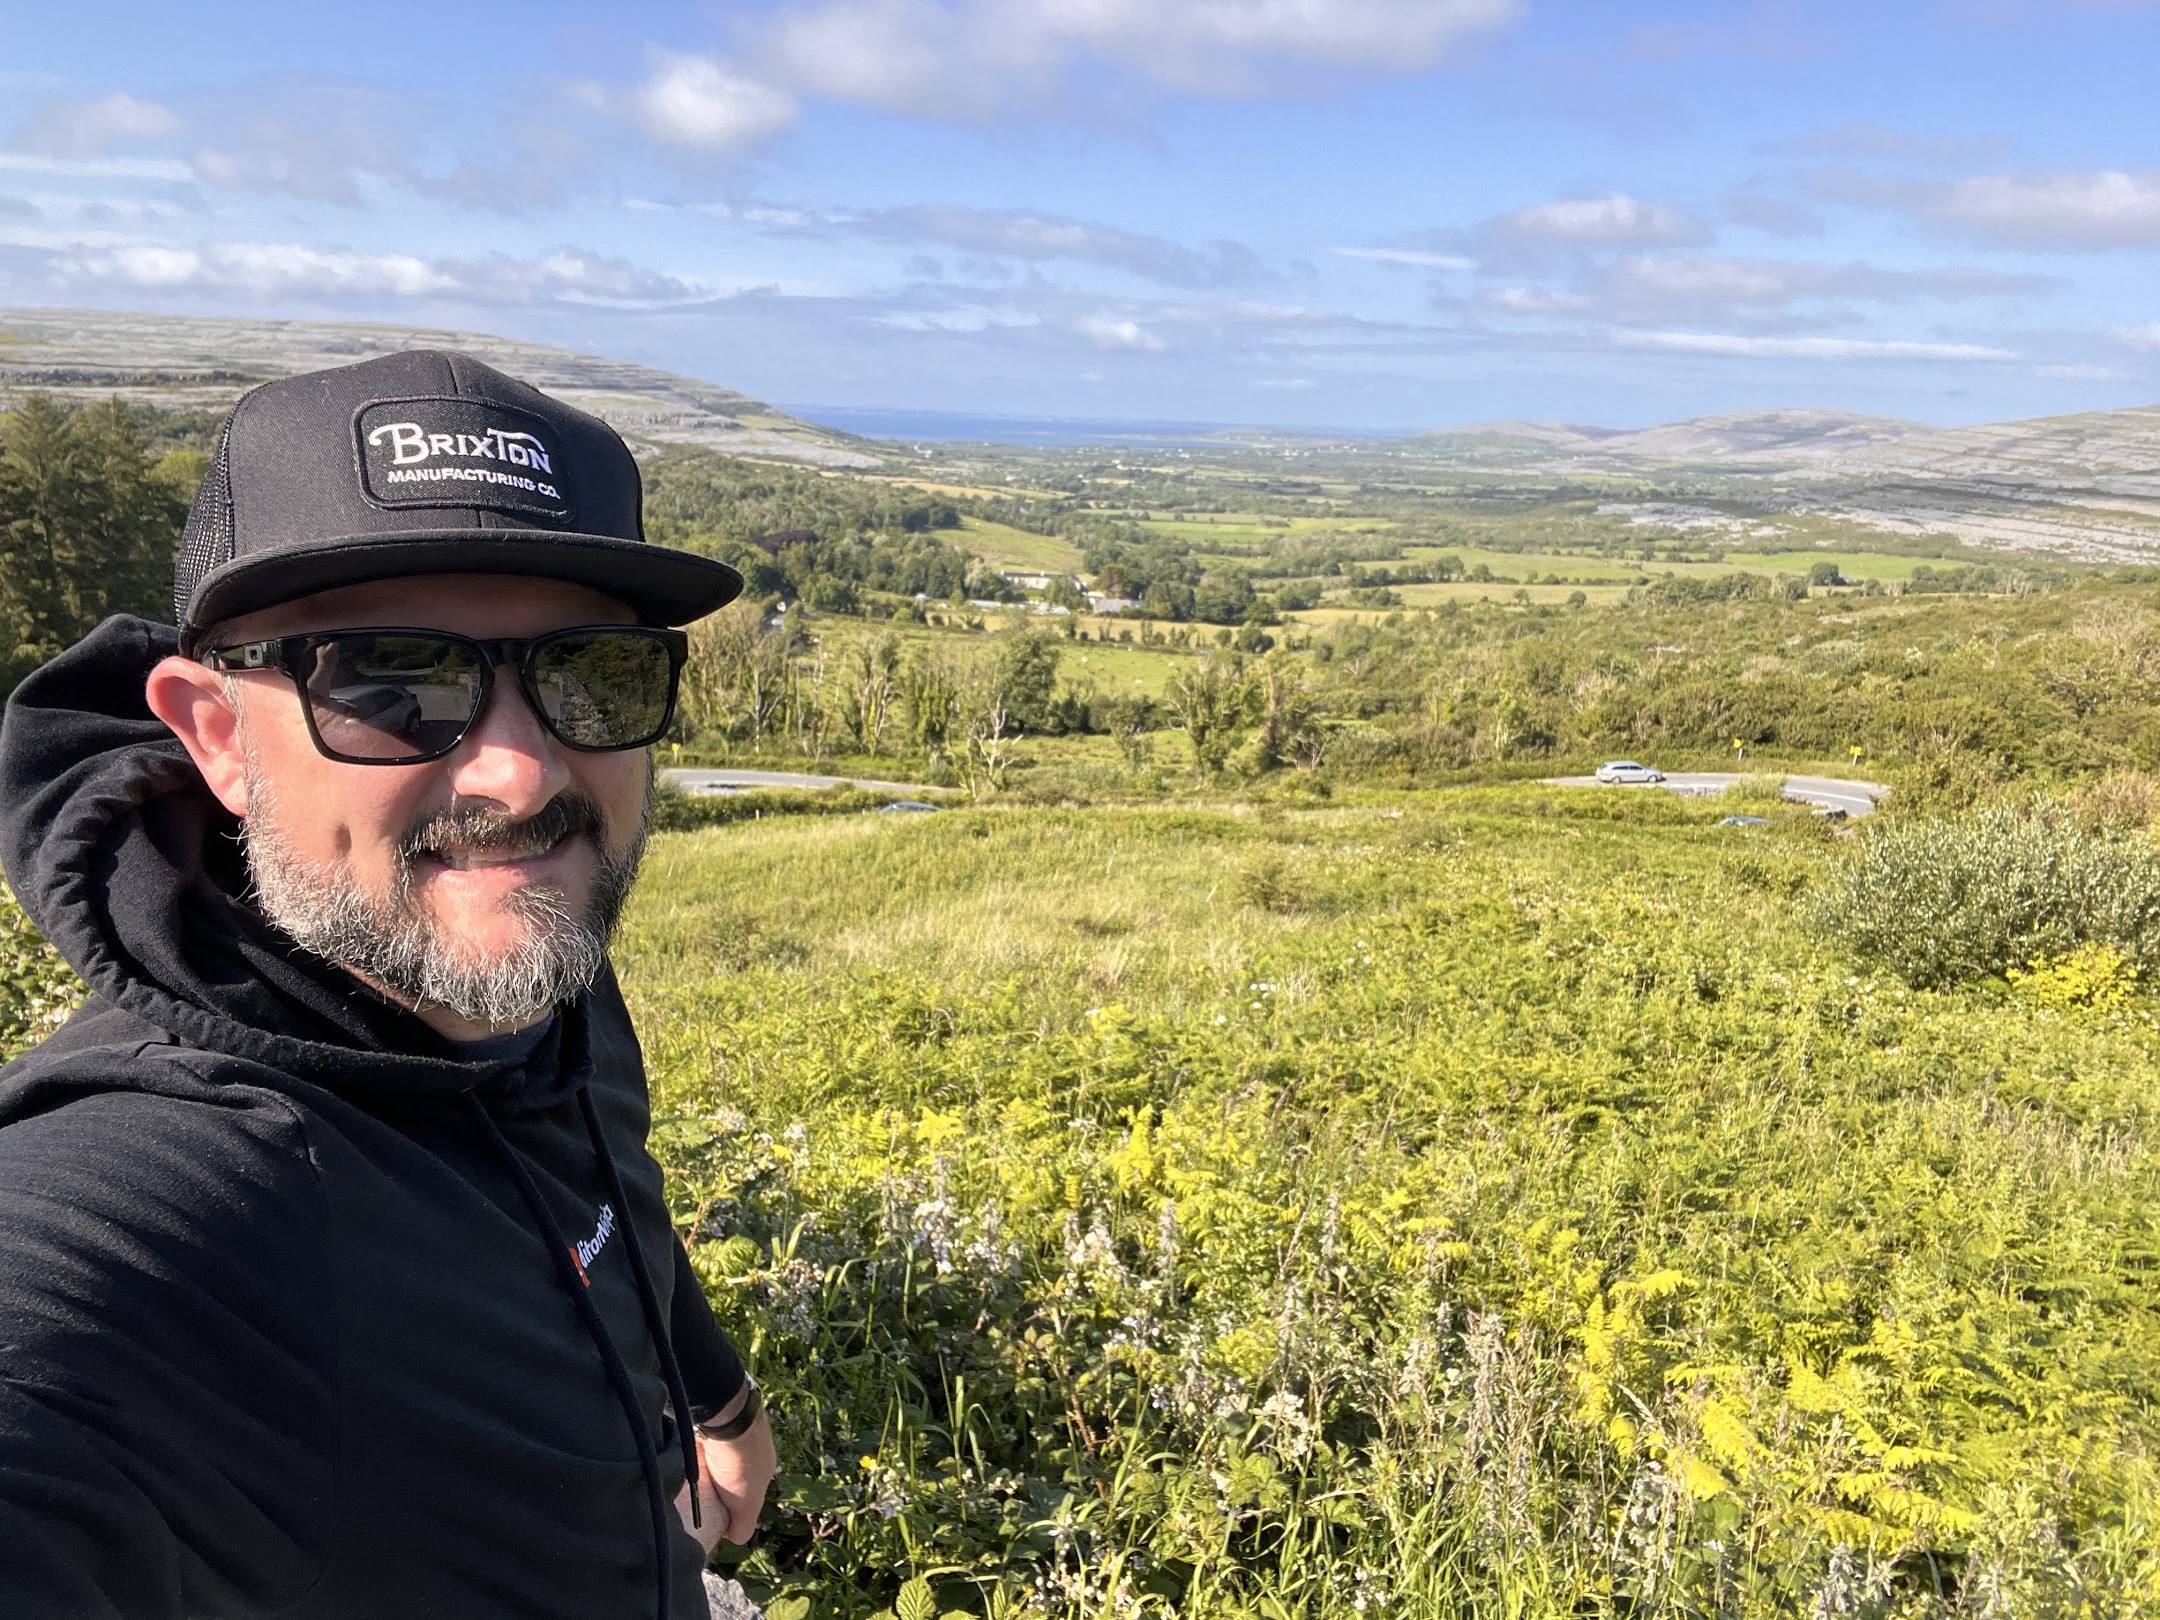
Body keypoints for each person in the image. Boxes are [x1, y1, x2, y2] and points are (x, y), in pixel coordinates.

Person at [0, 350, 775, 1618]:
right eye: (388, 682)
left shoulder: (530, 964)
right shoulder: (174, 1198)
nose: (520, 777)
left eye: (591, 674)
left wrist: (718, 1401)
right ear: (215, 735)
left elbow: (601, 1186)